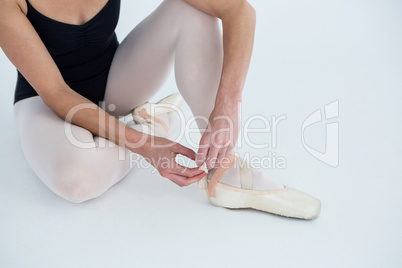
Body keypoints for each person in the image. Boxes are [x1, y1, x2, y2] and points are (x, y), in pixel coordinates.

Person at [0, 0, 321, 219]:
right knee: (77, 182)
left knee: (190, 10)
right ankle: (147, 126)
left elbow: (238, 10)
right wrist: (146, 145)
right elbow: (56, 93)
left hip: (117, 82)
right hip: (46, 105)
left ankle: (224, 165)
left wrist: (228, 104)